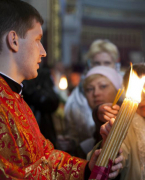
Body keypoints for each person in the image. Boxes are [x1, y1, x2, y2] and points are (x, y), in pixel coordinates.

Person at [0, 0, 122, 179]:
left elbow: (45, 157)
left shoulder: (15, 98)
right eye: (37, 40)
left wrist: (88, 167)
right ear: (14, 40)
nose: (43, 52)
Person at [62, 39, 121, 156]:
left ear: (116, 64)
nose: (102, 68)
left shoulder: (123, 90)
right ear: (90, 64)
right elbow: (73, 131)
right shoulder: (77, 98)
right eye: (97, 63)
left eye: (107, 63)